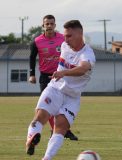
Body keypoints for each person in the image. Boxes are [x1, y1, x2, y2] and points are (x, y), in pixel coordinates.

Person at [25, 20, 96, 160]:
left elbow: (82, 69)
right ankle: (30, 140)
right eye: (65, 35)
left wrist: (64, 73)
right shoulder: (64, 45)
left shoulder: (88, 54)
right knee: (40, 116)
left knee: (61, 128)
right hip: (55, 89)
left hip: (72, 97)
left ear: (79, 34)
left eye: (69, 36)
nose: (65, 39)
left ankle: (46, 158)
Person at [29, 14, 78, 141]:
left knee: (63, 105)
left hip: (61, 76)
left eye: (52, 23)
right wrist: (31, 74)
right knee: (47, 105)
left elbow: (73, 51)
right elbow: (32, 58)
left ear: (55, 25)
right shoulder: (37, 41)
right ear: (43, 26)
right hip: (45, 77)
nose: (49, 26)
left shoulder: (63, 38)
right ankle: (59, 131)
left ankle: (64, 130)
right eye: (47, 24)